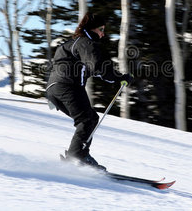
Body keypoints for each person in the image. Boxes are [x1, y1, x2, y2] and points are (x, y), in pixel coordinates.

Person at [46, 12, 133, 170]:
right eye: (101, 29)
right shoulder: (86, 43)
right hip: (68, 86)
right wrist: (120, 78)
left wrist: (54, 94)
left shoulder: (69, 44)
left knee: (89, 118)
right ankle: (77, 156)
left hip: (53, 89)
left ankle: (80, 155)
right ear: (92, 29)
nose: (103, 33)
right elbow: (98, 67)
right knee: (87, 120)